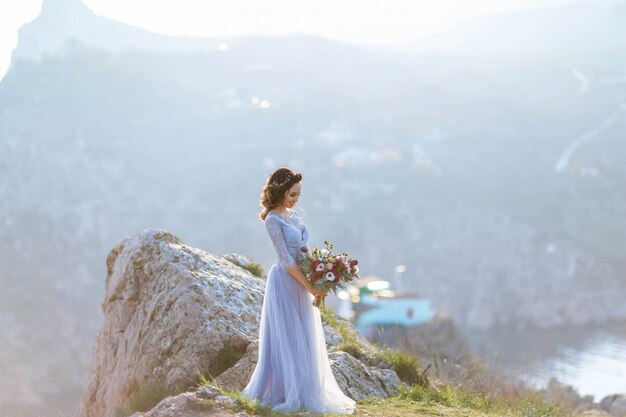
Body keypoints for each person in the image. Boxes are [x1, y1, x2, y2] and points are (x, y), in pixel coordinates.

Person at [242, 167, 356, 414]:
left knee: (303, 335)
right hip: (285, 282)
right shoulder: (273, 220)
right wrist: (311, 286)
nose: (296, 199)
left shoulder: (292, 216)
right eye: (292, 195)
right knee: (287, 336)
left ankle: (305, 389)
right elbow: (285, 260)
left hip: (302, 280)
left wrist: (320, 271)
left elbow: (303, 251)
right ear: (280, 191)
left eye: (298, 195)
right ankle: (284, 391)